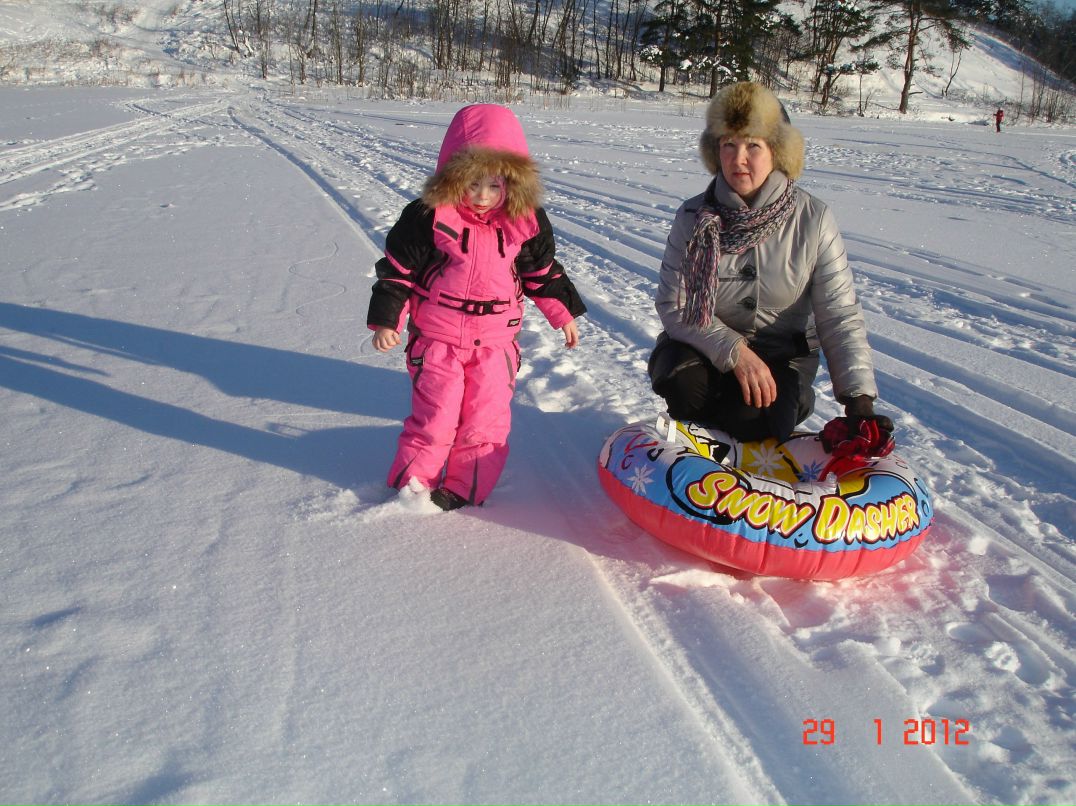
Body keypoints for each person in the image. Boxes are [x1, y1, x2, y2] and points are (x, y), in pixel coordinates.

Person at [648, 81, 892, 454]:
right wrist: (737, 353)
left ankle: (788, 402)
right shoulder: (693, 217)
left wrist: (858, 401)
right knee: (681, 383)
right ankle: (696, 443)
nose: (738, 159)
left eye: (753, 146)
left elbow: (839, 314)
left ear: (777, 152)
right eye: (728, 144)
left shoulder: (813, 219)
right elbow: (675, 305)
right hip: (706, 348)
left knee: (751, 419)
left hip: (780, 357)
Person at [367, 104, 586, 511]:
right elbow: (398, 272)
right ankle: (411, 487)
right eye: (472, 185)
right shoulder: (428, 217)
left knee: (485, 422)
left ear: (511, 184)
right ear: (453, 178)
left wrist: (563, 313)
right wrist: (387, 319)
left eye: (494, 185)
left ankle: (464, 492)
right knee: (435, 420)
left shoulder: (524, 221)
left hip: (496, 344)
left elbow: (541, 272)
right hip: (438, 340)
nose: (483, 196)